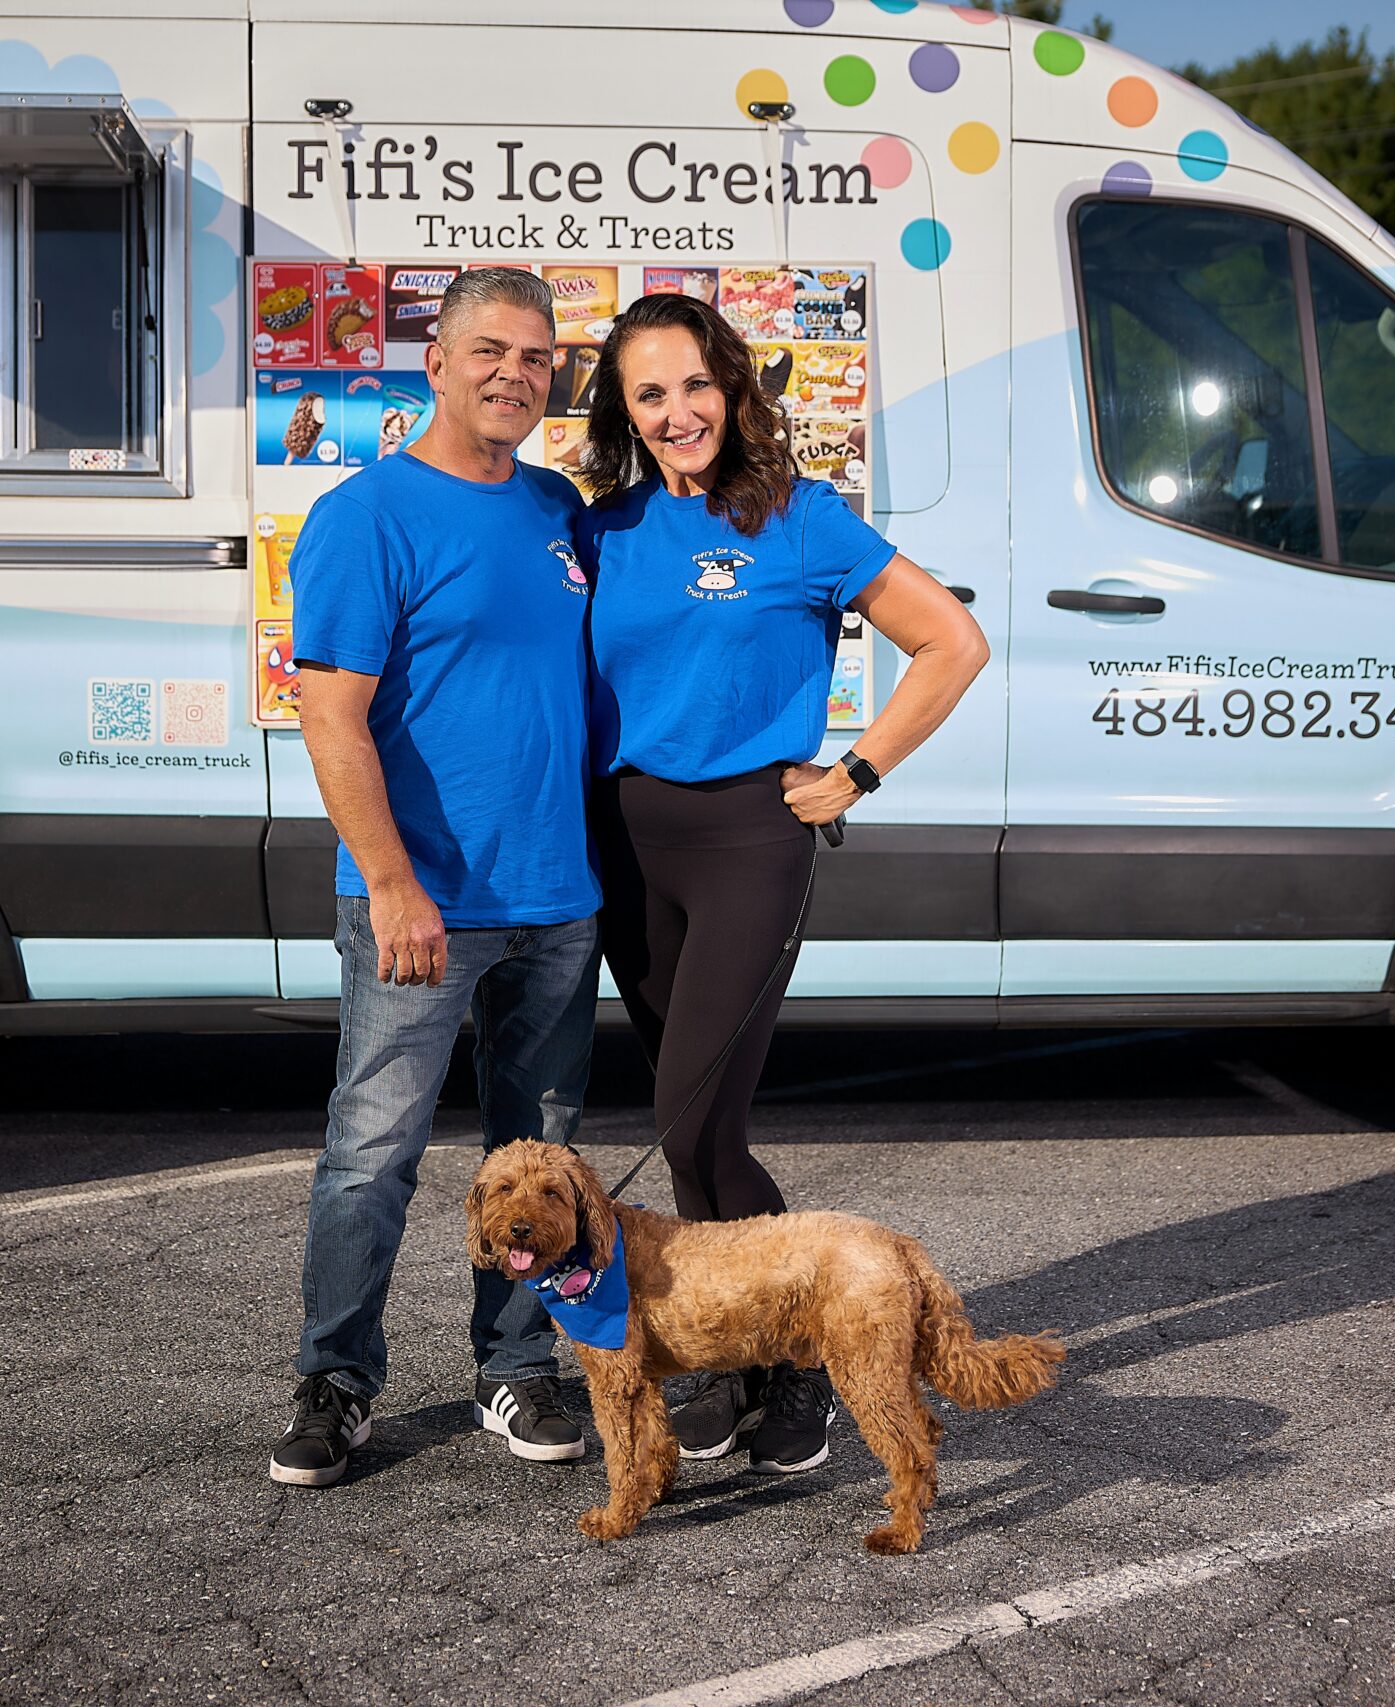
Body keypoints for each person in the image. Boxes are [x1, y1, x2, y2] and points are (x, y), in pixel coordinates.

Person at [576, 290, 989, 1475]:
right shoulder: (601, 532)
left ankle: (795, 1365)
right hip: (625, 848)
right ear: (625, 410)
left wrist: (858, 767)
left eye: (694, 385)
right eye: (647, 393)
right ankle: (745, 1357)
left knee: (692, 1121)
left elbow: (951, 641)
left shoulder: (804, 521)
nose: (675, 411)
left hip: (750, 845)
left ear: (733, 388)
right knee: (696, 1139)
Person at [269, 269, 602, 1488]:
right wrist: (394, 883)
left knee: (541, 1158)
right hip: (421, 905)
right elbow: (331, 720)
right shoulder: (367, 518)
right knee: (373, 1155)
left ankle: (517, 1371)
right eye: (491, 351)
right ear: (437, 362)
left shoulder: (558, 510)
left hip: (557, 903)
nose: (518, 372)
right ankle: (335, 1382)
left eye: (538, 355)